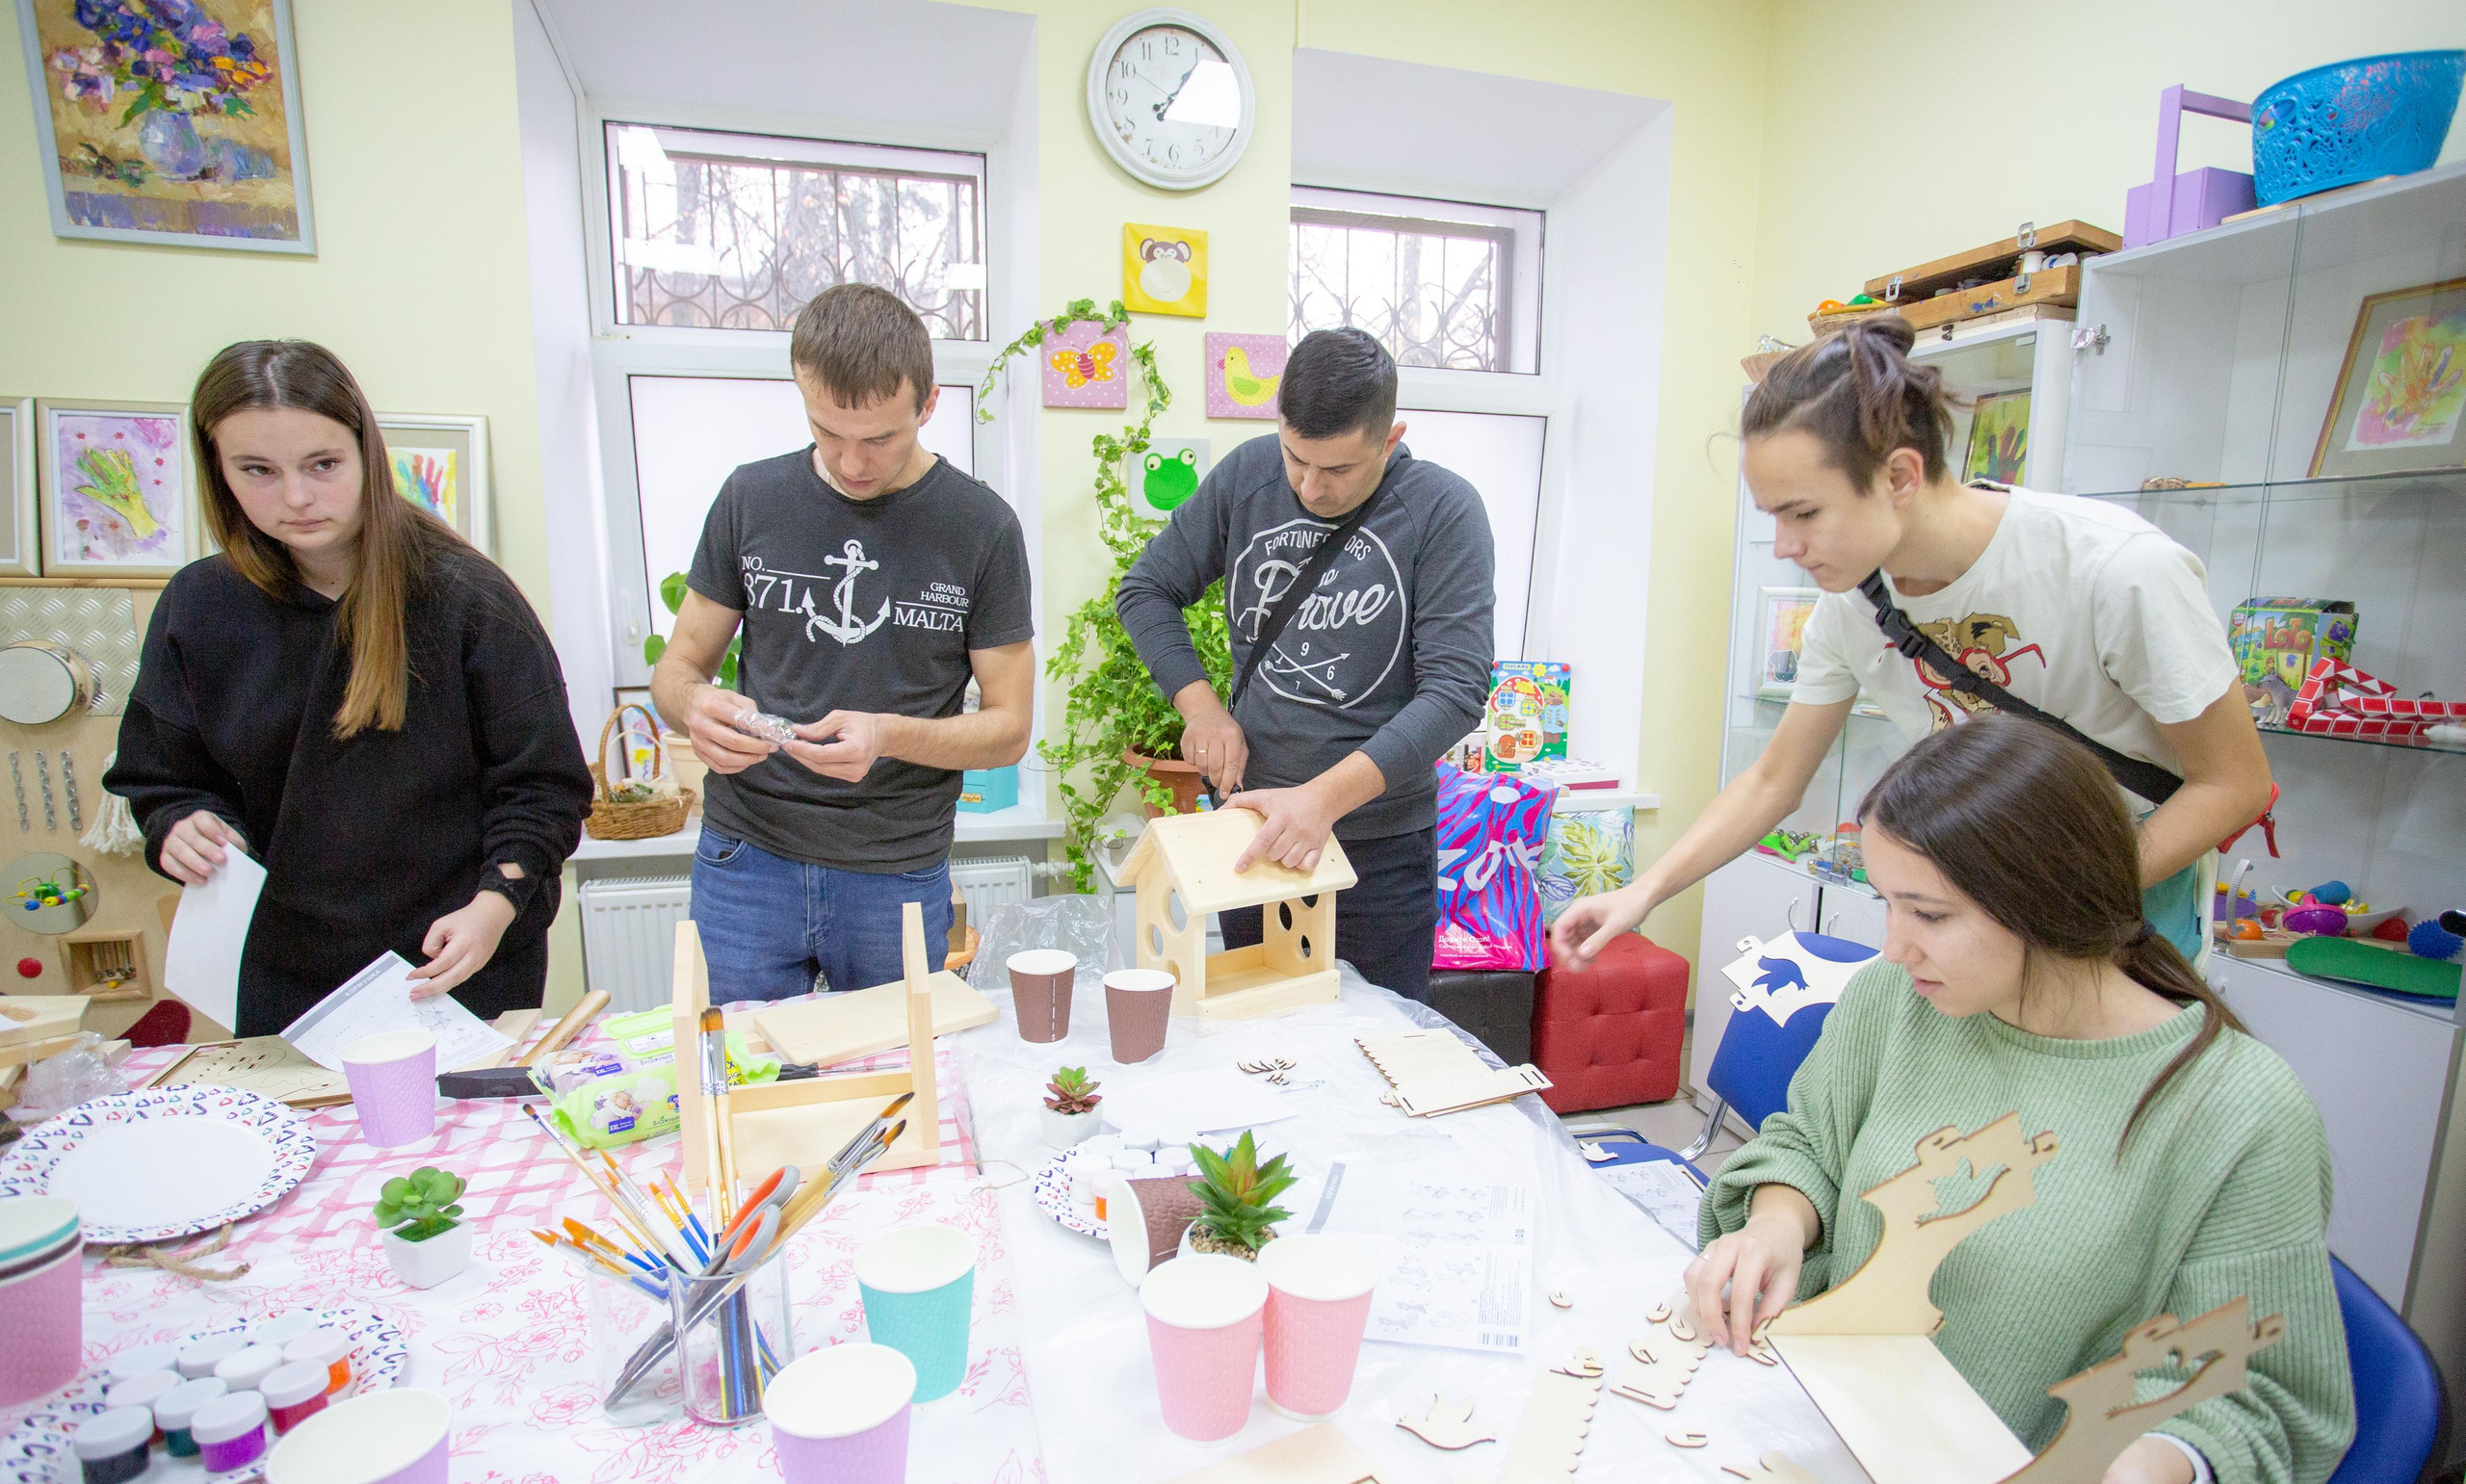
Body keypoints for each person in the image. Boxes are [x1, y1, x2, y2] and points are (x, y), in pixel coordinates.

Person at [1690, 715, 2351, 1484]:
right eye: (1885, 902)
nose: (1892, 945)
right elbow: (1809, 1142)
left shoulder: (2239, 1110)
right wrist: (1776, 1221)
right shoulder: (1899, 999)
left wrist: (2164, 1470)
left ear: (2050, 898)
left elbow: (2261, 1391)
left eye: (1928, 914)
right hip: (1830, 1464)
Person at [1552, 314, 2272, 971]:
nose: (1784, 546)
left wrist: (2062, 896)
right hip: (1977, 910)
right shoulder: (1851, 608)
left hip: (2119, 913)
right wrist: (1643, 892)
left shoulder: (2115, 570)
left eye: (1803, 512)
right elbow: (1773, 781)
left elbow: (2235, 783)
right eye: (1773, 516)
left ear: (1899, 474)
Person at [109, 340, 593, 1036]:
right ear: (218, 470)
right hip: (285, 977)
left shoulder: (468, 598)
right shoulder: (198, 606)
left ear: (366, 451)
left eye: (323, 465)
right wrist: (177, 824)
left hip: (454, 962)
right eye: (258, 471)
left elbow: (544, 786)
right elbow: (161, 777)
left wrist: (496, 905)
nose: (297, 497)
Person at [652, 284, 1033, 1003]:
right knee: (743, 1079)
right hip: (744, 855)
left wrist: (887, 734)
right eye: (827, 431)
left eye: (880, 438)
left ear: (928, 405)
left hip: (894, 868)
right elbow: (678, 667)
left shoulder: (981, 528)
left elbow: (1010, 729)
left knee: (894, 1077)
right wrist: (693, 706)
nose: (852, 462)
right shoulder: (749, 499)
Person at [1115, 327, 1494, 1002]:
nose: (1311, 487)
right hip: (1254, 834)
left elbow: (1456, 691)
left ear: (1391, 437)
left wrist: (1322, 801)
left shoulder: (1445, 510)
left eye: (1339, 470)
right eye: (1296, 457)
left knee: (1373, 1058)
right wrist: (1200, 706)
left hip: (1379, 855)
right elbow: (1147, 589)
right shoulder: (1247, 476)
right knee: (1261, 1045)